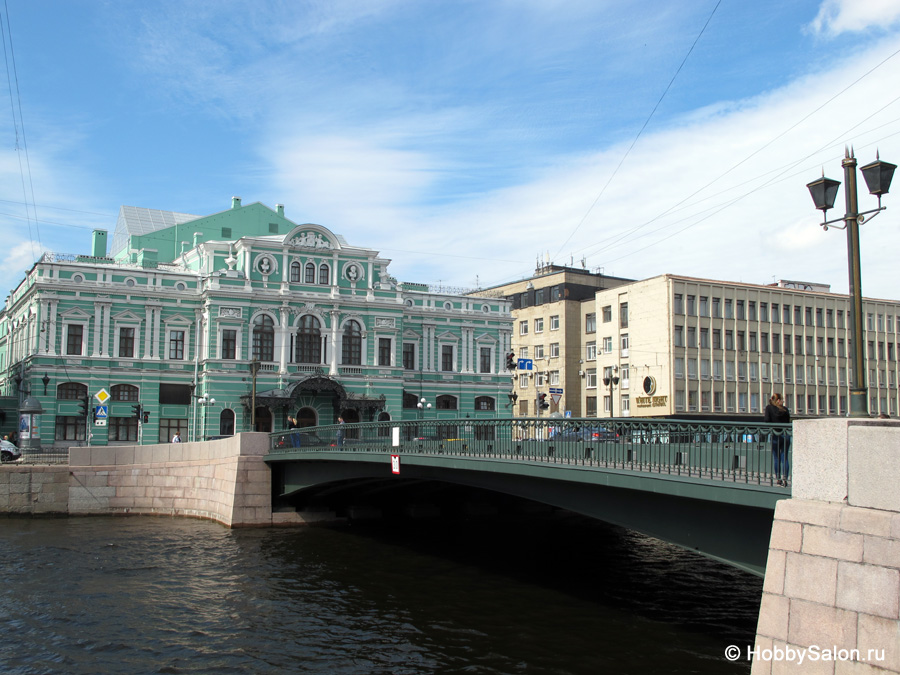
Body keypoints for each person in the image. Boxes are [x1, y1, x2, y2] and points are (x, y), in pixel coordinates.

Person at [764, 393, 791, 486]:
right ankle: (785, 479)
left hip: (775, 434)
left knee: (776, 457)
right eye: (782, 399)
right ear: (778, 400)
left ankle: (778, 479)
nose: (783, 401)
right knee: (785, 458)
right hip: (786, 435)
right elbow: (788, 422)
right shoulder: (785, 409)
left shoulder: (769, 408)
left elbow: (767, 420)